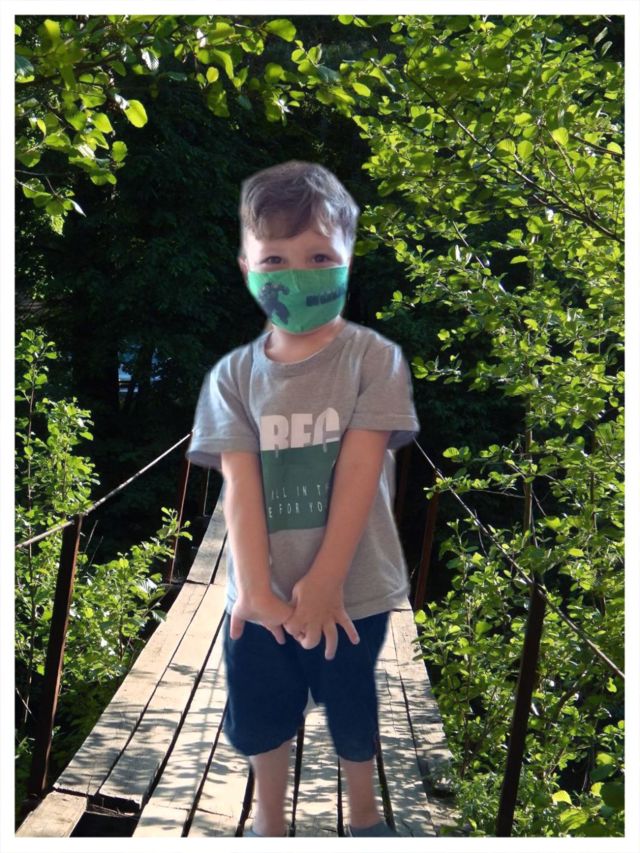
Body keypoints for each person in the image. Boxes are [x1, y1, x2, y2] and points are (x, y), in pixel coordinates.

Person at [186, 160, 420, 837]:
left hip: (356, 586)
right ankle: (269, 824)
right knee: (262, 707)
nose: (298, 273)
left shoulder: (374, 359)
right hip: (260, 594)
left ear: (348, 257)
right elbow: (240, 483)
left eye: (319, 256)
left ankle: (365, 816)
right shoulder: (232, 376)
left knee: (351, 703)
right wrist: (256, 588)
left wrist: (325, 580)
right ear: (247, 268)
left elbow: (360, 471)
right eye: (276, 259)